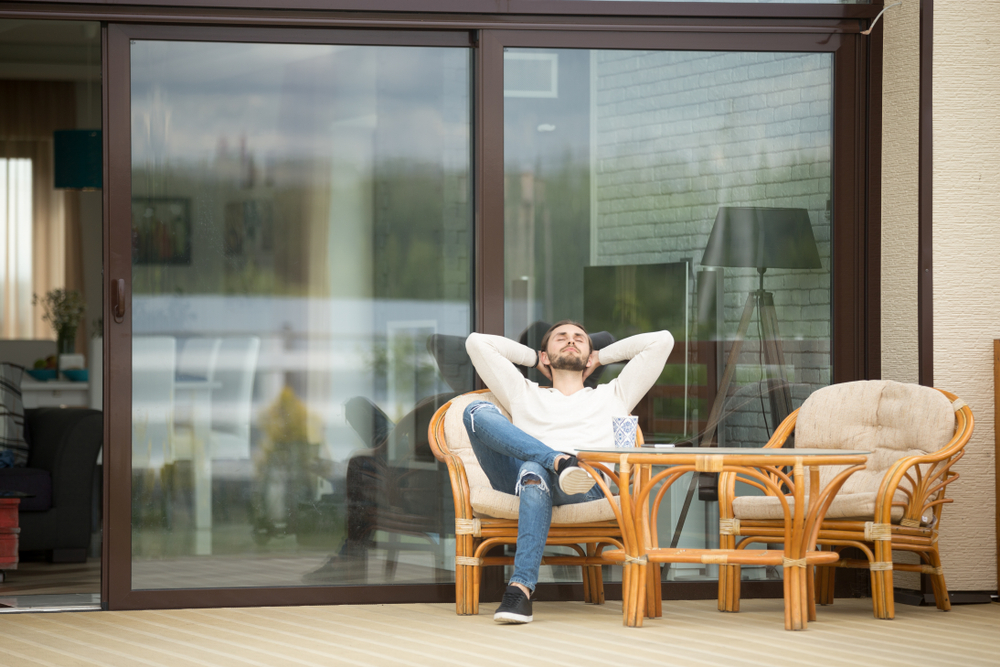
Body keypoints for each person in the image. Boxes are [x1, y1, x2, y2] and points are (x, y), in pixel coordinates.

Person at [464, 320, 674, 624]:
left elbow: (662, 341)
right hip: (519, 479)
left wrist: (601, 356)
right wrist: (535, 359)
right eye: (560, 338)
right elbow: (477, 343)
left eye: (579, 338)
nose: (571, 341)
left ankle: (520, 590)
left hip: (583, 485)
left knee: (534, 469)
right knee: (474, 411)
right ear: (546, 355)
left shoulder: (614, 394)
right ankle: (557, 459)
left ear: (589, 355)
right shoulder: (523, 392)